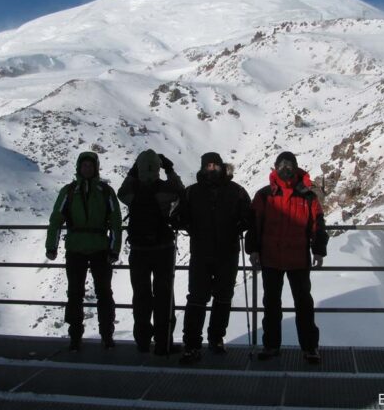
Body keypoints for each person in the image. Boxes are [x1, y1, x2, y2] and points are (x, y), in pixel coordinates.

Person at [246, 151, 328, 363]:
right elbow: (254, 224)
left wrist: (318, 249)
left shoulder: (307, 196)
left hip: (297, 258)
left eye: (289, 165)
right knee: (271, 304)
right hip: (271, 258)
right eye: (281, 165)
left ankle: (310, 347)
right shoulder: (264, 195)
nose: (285, 169)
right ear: (275, 168)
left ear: (296, 167)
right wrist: (253, 249)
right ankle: (271, 345)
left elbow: (318, 223)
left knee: (304, 304)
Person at [176, 152, 251, 364]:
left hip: (226, 253)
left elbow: (249, 216)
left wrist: (240, 224)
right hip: (202, 253)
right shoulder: (192, 192)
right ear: (202, 168)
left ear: (221, 167)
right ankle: (192, 343)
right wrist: (183, 222)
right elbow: (179, 215)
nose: (211, 169)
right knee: (197, 298)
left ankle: (215, 338)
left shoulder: (236, 191)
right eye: (208, 166)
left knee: (222, 297)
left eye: (215, 165)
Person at [45, 151, 122, 351]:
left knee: (103, 293)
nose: (87, 168)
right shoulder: (70, 191)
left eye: (90, 165)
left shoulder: (104, 191)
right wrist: (51, 246)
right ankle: (76, 336)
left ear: (96, 168)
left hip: (98, 249)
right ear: (79, 168)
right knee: (75, 293)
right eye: (84, 165)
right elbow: (56, 219)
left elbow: (116, 221)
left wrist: (114, 249)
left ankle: (106, 335)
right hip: (78, 248)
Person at [118, 149, 185, 355]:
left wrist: (133, 172)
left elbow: (121, 193)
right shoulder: (165, 190)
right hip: (163, 250)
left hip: (139, 251)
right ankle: (163, 343)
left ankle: (142, 342)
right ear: (157, 168)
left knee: (141, 296)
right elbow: (180, 191)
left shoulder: (132, 192)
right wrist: (170, 169)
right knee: (164, 296)